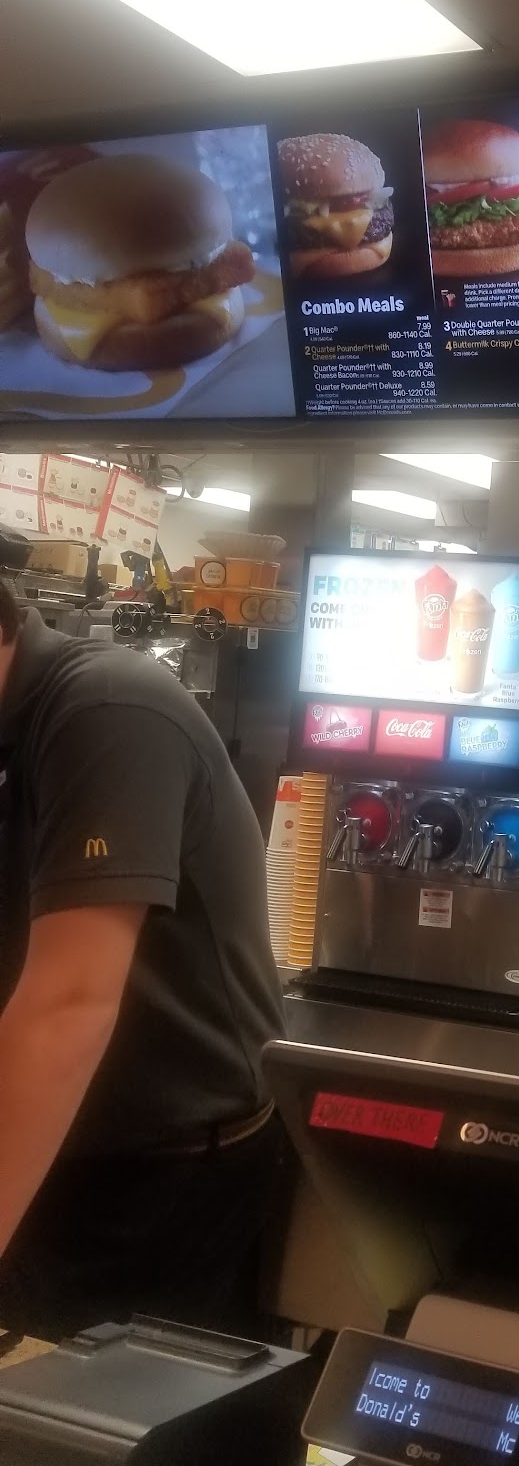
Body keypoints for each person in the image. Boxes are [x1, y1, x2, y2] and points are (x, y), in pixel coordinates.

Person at [0, 570, 286, 1340]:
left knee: (87, 1413)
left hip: (161, 1179)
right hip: (52, 1144)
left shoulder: (106, 710)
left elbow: (69, 1006)